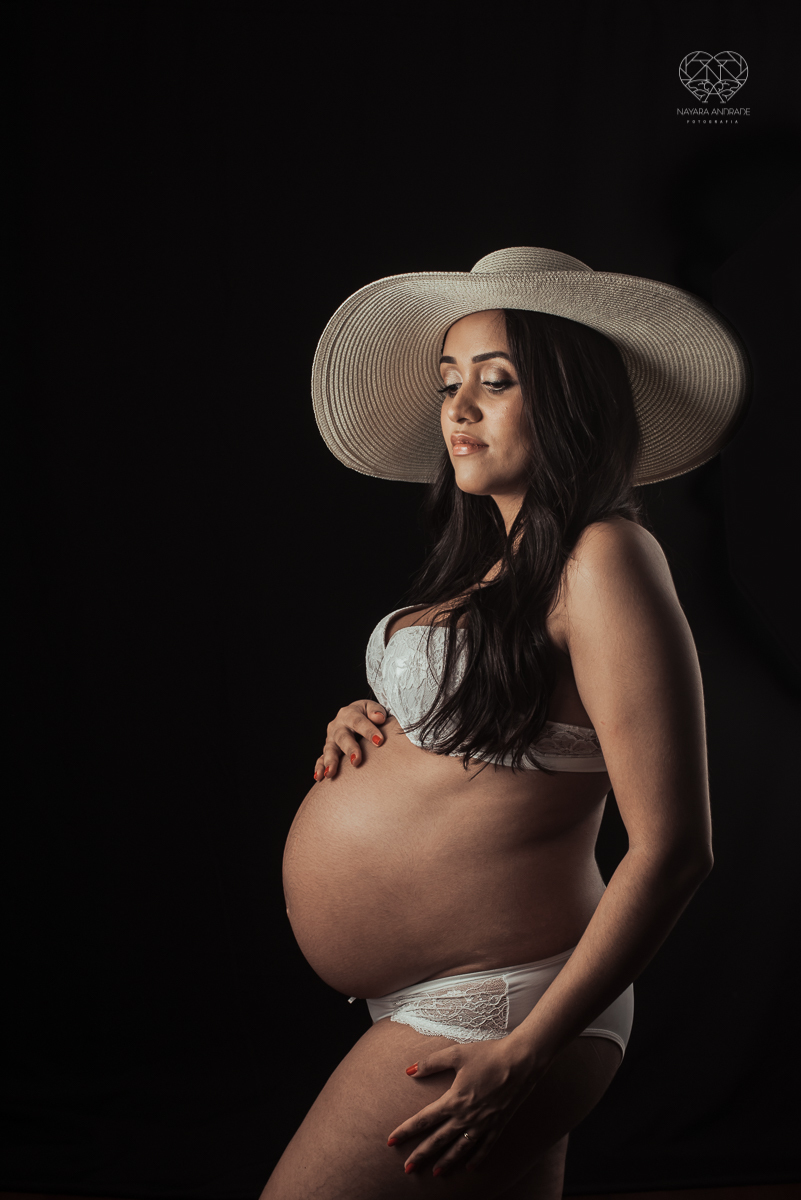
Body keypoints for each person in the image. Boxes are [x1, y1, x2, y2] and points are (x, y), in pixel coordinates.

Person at [263, 247, 749, 1199]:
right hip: (451, 998)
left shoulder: (605, 556)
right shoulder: (502, 568)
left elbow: (675, 847)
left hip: (501, 1007)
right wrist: (375, 720)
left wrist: (528, 1050)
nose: (457, 406)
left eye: (496, 381)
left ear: (566, 400)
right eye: (449, 383)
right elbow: (497, 739)